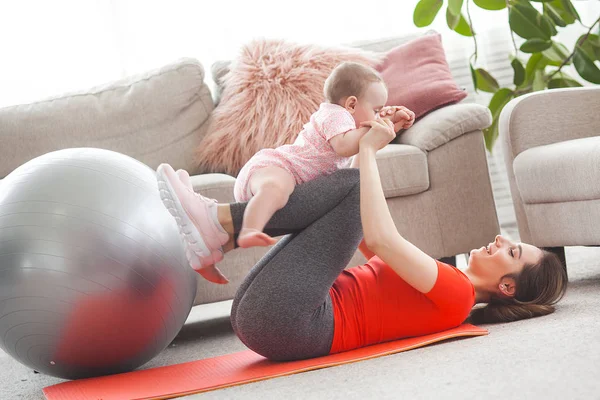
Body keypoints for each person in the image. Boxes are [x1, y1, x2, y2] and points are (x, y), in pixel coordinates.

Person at [156, 117, 568, 360]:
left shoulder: (458, 295)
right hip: (272, 318)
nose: (500, 238)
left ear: (507, 286)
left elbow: (380, 238)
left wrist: (369, 153)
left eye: (512, 251)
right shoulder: (444, 282)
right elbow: (367, 239)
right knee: (349, 189)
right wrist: (365, 141)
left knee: (352, 187)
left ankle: (221, 225)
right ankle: (219, 238)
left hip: (292, 323)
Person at [157, 61, 415, 283]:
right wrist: (378, 127)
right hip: (278, 166)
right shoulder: (334, 116)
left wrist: (389, 125)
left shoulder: (348, 121)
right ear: (350, 104)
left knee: (285, 197)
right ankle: (244, 227)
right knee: (276, 191)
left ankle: (211, 250)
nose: (378, 115)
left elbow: (354, 180)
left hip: (290, 177)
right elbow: (345, 145)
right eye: (377, 110)